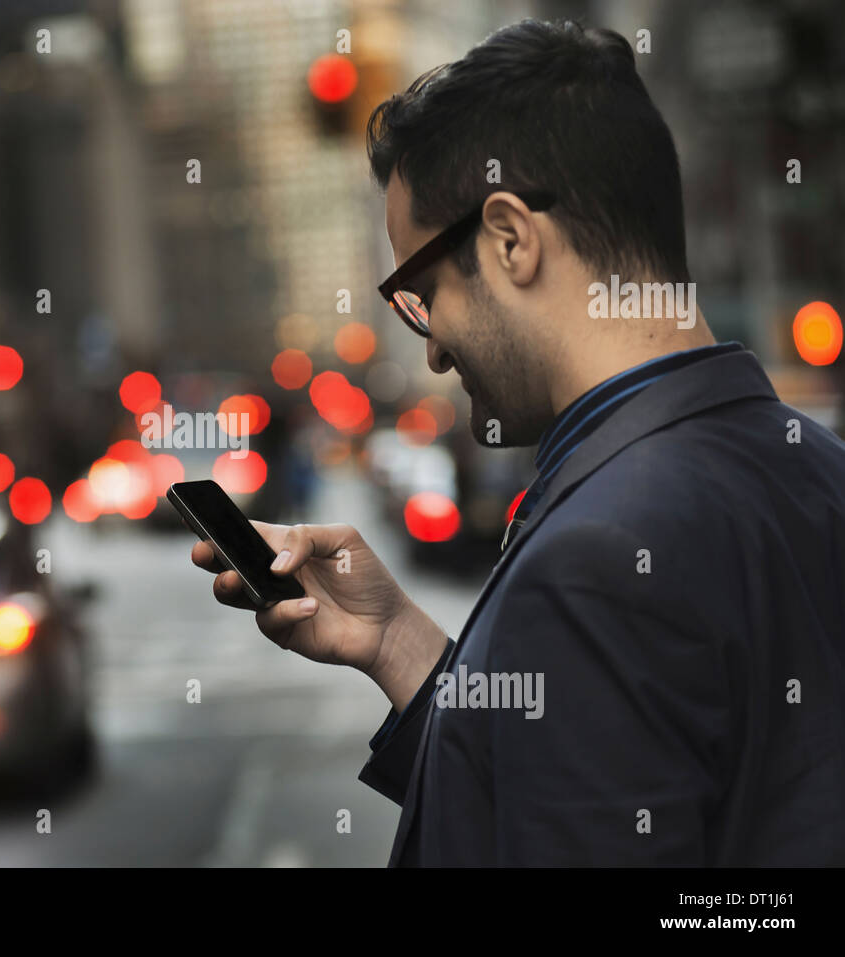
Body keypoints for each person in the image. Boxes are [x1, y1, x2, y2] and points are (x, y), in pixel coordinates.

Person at [190, 19, 845, 865]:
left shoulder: (598, 561)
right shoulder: (817, 465)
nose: (428, 345)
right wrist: (398, 644)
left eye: (420, 291)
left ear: (510, 240)